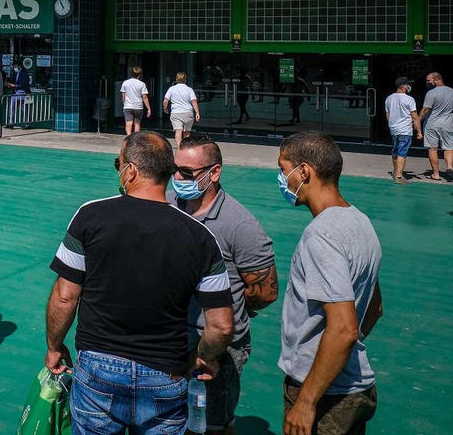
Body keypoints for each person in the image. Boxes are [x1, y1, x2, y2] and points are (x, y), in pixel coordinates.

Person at [45, 130, 234, 433]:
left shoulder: (90, 216)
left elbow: (65, 298)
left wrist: (55, 346)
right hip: (166, 376)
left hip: (98, 369)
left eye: (117, 163)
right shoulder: (200, 237)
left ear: (130, 170)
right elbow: (222, 325)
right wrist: (204, 357)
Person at [172, 133, 279, 435]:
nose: (178, 177)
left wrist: (230, 309)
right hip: (173, 338)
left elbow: (266, 290)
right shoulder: (167, 205)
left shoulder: (239, 225)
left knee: (212, 426)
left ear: (214, 172)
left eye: (187, 172)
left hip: (219, 349)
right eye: (175, 169)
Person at [277, 131, 383, 435]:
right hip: (354, 389)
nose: (283, 179)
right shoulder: (360, 222)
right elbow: (374, 308)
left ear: (304, 171)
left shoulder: (321, 235)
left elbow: (344, 328)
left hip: (325, 396)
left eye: (283, 170)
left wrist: (307, 401)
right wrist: (344, 353)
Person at [385, 77, 421, 183]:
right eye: (408, 85)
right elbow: (414, 116)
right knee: (402, 152)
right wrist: (419, 131)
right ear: (405, 86)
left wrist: (391, 125)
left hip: (394, 129)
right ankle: (399, 176)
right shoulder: (409, 99)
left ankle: (395, 171)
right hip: (405, 129)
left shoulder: (389, 98)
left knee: (395, 150)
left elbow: (388, 115)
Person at [419, 71, 453, 182]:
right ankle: (449, 167)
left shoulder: (431, 93)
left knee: (432, 149)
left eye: (429, 81)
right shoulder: (451, 91)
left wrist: (418, 121)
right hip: (448, 124)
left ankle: (436, 174)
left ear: (436, 80)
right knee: (449, 148)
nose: (427, 83)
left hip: (432, 124)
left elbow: (426, 109)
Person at [163, 72, 201, 149]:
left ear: (176, 79)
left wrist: (165, 108)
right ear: (185, 80)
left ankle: (180, 147)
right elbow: (194, 101)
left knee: (178, 130)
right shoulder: (189, 89)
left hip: (176, 112)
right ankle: (186, 147)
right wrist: (197, 112)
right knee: (187, 131)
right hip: (187, 112)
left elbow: (165, 101)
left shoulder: (171, 89)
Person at [120, 66, 151, 135]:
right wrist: (148, 108)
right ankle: (136, 138)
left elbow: (123, 96)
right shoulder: (142, 84)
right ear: (140, 74)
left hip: (128, 106)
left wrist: (124, 104)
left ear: (131, 73)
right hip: (138, 106)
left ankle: (128, 137)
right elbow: (144, 97)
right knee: (137, 123)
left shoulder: (125, 83)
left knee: (128, 123)